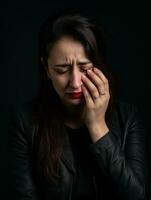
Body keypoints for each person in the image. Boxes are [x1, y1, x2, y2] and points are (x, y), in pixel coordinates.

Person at [8, 9, 148, 200]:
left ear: (98, 66)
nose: (75, 82)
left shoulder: (128, 117)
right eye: (62, 69)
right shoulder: (24, 121)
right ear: (46, 69)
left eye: (85, 68)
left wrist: (98, 127)